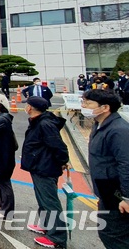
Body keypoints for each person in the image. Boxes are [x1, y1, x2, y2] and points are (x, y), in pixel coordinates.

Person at [80, 89, 129, 247]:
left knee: (113, 235)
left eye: (87, 103)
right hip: (106, 190)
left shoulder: (118, 130)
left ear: (105, 107)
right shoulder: (99, 124)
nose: (83, 106)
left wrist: (126, 197)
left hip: (117, 194)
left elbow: (126, 164)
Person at [21, 96, 69, 249]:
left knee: (50, 202)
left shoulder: (45, 124)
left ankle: (57, 238)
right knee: (43, 200)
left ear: (31, 108)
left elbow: (58, 146)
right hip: (39, 165)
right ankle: (47, 226)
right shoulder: (39, 121)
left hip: (45, 168)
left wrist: (63, 161)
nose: (25, 107)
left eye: (27, 105)